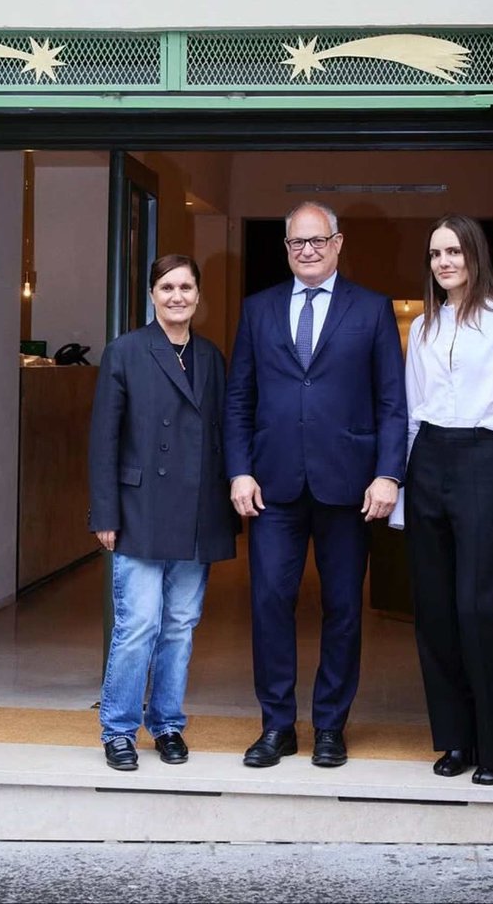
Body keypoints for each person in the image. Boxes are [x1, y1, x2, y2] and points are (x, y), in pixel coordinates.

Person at [224, 202, 407, 768]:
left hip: (350, 488)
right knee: (270, 604)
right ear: (286, 248)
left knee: (344, 609)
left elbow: (392, 403)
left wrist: (388, 472)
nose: (307, 250)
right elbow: (238, 400)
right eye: (297, 242)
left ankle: (330, 726)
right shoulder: (257, 310)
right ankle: (277, 726)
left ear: (337, 243)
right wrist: (239, 469)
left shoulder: (372, 310)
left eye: (317, 240)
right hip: (273, 486)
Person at [389, 214, 493, 786]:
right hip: (427, 461)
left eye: (454, 251)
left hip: (484, 462)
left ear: (476, 256)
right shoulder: (425, 327)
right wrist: (402, 493)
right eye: (434, 254)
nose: (444, 262)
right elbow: (408, 415)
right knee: (434, 613)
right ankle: (454, 740)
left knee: (477, 608)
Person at [88, 253, 237, 772]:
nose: (178, 296)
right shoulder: (125, 352)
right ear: (152, 295)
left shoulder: (212, 357)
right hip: (140, 509)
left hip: (198, 511)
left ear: (199, 295)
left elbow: (222, 433)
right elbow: (104, 439)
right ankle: (118, 729)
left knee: (180, 624)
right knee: (137, 625)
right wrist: (104, 512)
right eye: (168, 287)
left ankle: (168, 722)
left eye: (187, 287)